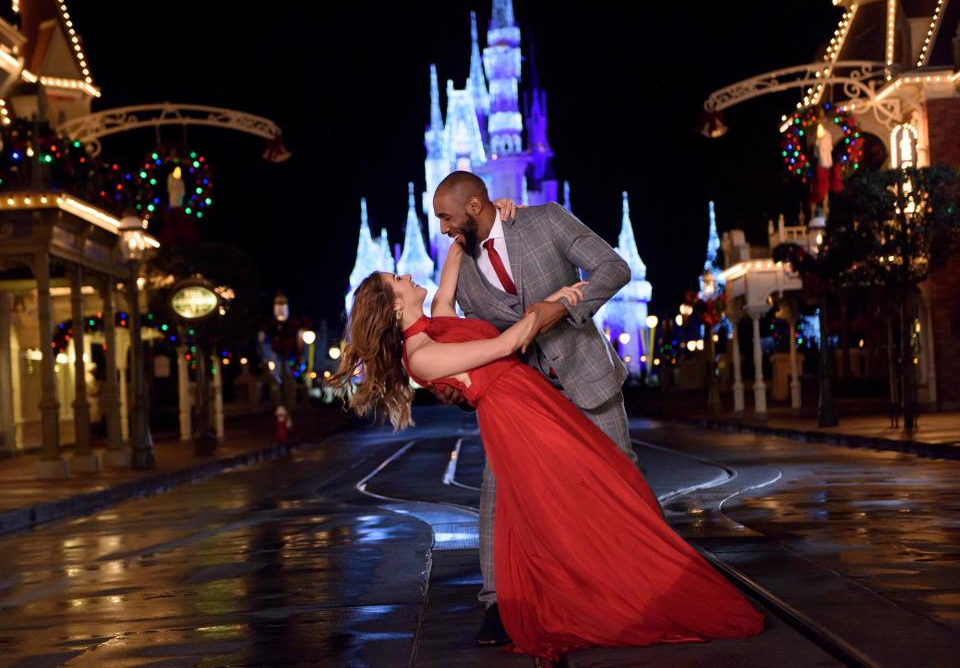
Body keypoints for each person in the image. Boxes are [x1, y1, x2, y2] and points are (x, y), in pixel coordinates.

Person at [326, 245, 765, 665]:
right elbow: (505, 345)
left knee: (613, 482)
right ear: (395, 308)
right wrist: (554, 302)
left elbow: (445, 290)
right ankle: (631, 591)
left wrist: (463, 233)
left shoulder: (434, 327)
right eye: (397, 280)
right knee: (593, 495)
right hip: (522, 424)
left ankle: (640, 578)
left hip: (537, 406)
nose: (406, 274)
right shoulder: (422, 356)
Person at [431, 171, 642, 645]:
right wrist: (458, 386)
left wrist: (561, 307)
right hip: (523, 396)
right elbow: (476, 342)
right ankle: (500, 603)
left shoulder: (544, 220)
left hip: (586, 376)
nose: (442, 228)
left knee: (620, 481)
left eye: (446, 216)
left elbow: (614, 268)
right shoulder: (459, 267)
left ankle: (644, 581)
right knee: (498, 493)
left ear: (475, 207)